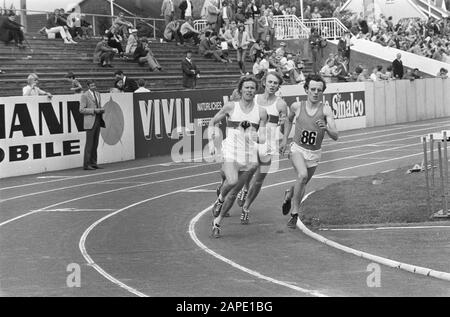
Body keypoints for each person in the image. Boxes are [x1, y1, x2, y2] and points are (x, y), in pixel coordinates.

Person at [208, 75, 268, 237]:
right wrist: (212, 143)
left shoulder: (261, 112)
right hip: (230, 151)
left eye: (252, 88)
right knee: (232, 180)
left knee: (234, 193)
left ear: (256, 91)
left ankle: (217, 222)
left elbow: (262, 138)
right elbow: (212, 122)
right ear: (240, 89)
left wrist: (258, 137)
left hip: (248, 156)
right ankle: (220, 199)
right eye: (246, 87)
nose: (249, 90)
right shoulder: (231, 107)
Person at [280, 74, 338, 228]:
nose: (315, 92)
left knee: (302, 181)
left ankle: (289, 193)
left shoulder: (326, 110)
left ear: (322, 92)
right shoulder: (297, 107)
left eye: (319, 90)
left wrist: (326, 128)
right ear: (306, 90)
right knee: (302, 175)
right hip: (297, 149)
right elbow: (289, 120)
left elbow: (335, 136)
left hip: (314, 153)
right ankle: (294, 214)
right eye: (312, 89)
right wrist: (285, 139)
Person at [236, 72, 288, 224]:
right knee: (247, 171)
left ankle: (246, 207)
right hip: (252, 141)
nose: (272, 85)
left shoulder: (280, 104)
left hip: (269, 144)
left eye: (275, 83)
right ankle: (245, 189)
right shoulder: (255, 98)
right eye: (270, 82)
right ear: (264, 82)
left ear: (279, 86)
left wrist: (284, 139)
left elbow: (286, 123)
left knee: (259, 179)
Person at [79, 80, 106, 171]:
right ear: (88, 86)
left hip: (98, 119)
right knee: (89, 144)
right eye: (91, 85)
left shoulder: (98, 94)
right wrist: (94, 110)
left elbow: (98, 105)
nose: (93, 86)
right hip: (90, 121)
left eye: (94, 85)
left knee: (95, 143)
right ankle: (86, 164)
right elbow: (81, 110)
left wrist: (101, 109)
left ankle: (94, 163)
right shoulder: (85, 95)